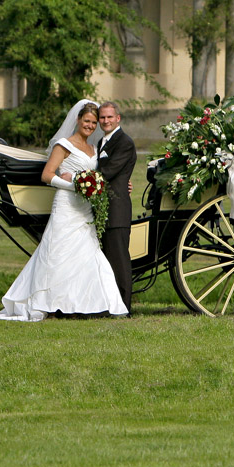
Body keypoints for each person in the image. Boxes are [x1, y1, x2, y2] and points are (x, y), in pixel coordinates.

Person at [0, 100, 128, 321]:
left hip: (85, 210)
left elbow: (103, 174)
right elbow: (47, 175)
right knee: (57, 253)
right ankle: (47, 303)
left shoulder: (94, 148)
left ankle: (83, 304)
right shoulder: (64, 144)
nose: (91, 126)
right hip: (67, 205)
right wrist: (75, 186)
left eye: (94, 122)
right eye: (87, 121)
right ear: (78, 120)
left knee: (87, 255)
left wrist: (112, 184)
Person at [96, 101, 137, 313]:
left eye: (110, 117)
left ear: (118, 118)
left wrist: (77, 179)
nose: (106, 121)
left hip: (117, 208)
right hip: (104, 208)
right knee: (107, 259)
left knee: (119, 260)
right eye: (102, 117)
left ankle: (124, 306)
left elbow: (108, 171)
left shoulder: (124, 142)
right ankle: (109, 304)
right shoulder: (102, 142)